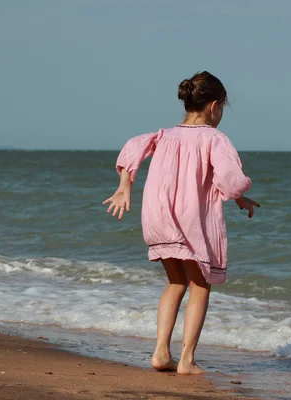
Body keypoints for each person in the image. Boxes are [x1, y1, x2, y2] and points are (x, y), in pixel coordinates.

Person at [102, 71, 260, 375]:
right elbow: (229, 179)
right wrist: (240, 194)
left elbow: (134, 146)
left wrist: (125, 184)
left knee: (175, 282)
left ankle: (161, 353)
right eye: (223, 109)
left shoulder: (163, 134)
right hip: (190, 219)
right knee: (200, 284)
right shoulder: (215, 138)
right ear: (214, 106)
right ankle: (186, 360)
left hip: (158, 215)